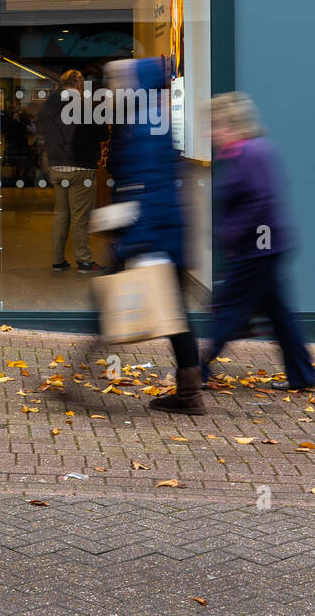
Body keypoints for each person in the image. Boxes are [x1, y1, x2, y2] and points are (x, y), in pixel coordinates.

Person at [105, 56, 205, 415]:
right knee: (176, 314)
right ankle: (190, 390)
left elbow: (144, 188)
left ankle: (190, 392)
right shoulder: (151, 118)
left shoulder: (143, 123)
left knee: (118, 303)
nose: (114, 87)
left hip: (155, 234)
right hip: (165, 232)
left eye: (120, 80)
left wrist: (133, 240)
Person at [204, 91, 315, 391]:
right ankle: (303, 375)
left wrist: (234, 235)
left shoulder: (251, 154)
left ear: (230, 125)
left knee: (229, 311)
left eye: (214, 125)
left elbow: (261, 200)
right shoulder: (248, 152)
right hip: (264, 247)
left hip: (257, 249)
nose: (210, 132)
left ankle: (196, 373)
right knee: (279, 314)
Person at [37, 69, 102, 272]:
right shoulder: (85, 105)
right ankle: (84, 260)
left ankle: (58, 260)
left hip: (56, 166)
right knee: (80, 216)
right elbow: (101, 133)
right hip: (80, 167)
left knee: (61, 214)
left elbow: (41, 130)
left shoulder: (48, 106)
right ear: (79, 84)